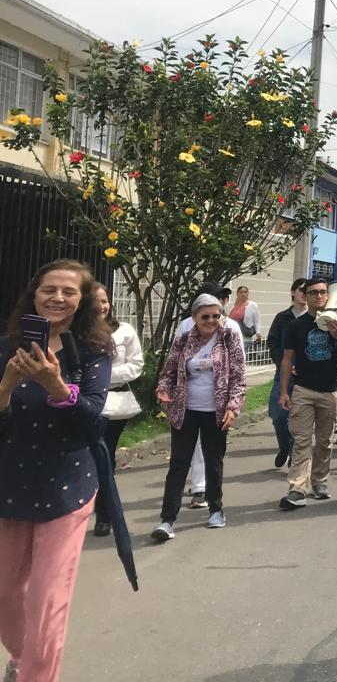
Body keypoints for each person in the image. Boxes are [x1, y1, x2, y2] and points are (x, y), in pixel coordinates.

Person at [0, 260, 112, 682]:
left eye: (69, 291)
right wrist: (7, 386)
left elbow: (91, 426)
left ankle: (36, 674)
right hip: (10, 485)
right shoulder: (6, 347)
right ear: (34, 293)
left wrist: (58, 388)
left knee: (46, 604)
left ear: (82, 301)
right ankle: (22, 658)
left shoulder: (93, 353)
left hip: (66, 490)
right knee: (6, 595)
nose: (58, 298)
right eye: (50, 289)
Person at [152, 293, 246, 540]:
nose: (212, 321)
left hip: (216, 411)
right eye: (206, 317)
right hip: (185, 410)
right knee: (179, 464)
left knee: (213, 462)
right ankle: (167, 520)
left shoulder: (228, 337)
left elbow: (238, 377)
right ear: (194, 318)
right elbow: (168, 372)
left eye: (216, 316)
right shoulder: (183, 339)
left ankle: (216, 509)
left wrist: (233, 407)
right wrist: (163, 389)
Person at [278, 280, 337, 510]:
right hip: (303, 390)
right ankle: (297, 489)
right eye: (313, 293)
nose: (319, 296)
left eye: (323, 292)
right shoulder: (296, 326)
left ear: (328, 296)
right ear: (305, 296)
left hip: (330, 391)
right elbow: (287, 359)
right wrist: (283, 391)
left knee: (324, 442)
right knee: (301, 441)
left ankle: (319, 482)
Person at [175, 281, 242, 505]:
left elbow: (238, 366)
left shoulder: (231, 328)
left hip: (218, 401)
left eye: (221, 300)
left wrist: (234, 401)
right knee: (190, 450)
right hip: (189, 399)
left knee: (212, 452)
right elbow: (175, 362)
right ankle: (198, 488)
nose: (219, 304)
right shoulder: (185, 326)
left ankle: (211, 498)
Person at [90, 282, 144, 538]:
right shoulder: (75, 332)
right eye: (95, 301)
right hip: (82, 403)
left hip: (114, 405)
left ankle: (104, 514)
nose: (101, 306)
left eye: (105, 300)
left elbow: (136, 365)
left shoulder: (124, 331)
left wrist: (101, 376)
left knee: (105, 456)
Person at [266, 278, 308, 466]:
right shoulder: (282, 317)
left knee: (300, 419)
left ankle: (293, 452)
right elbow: (273, 342)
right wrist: (282, 363)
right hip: (283, 373)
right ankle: (284, 446)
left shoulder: (317, 318)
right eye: (301, 289)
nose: (304, 293)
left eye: (309, 290)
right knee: (278, 415)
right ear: (292, 292)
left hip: (306, 376)